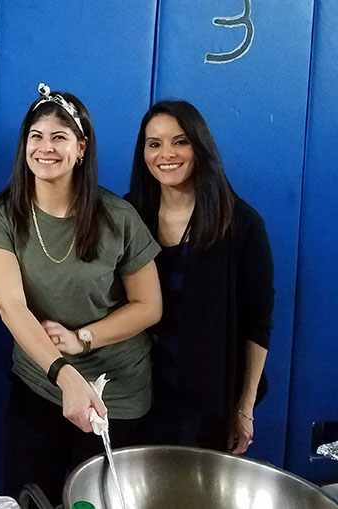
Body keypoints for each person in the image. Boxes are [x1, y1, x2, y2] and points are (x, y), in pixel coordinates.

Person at [0, 83, 162, 503]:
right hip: (40, 384)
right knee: (32, 496)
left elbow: (149, 306)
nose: (46, 148)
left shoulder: (118, 217)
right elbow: (11, 308)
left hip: (117, 395)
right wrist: (63, 373)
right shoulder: (1, 217)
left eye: (59, 137)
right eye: (36, 136)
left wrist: (83, 339)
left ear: (81, 148)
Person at [126, 100, 275, 454]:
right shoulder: (128, 214)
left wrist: (244, 408)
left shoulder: (241, 224)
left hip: (208, 402)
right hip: (137, 396)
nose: (166, 154)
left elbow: (258, 323)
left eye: (180, 141)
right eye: (154, 143)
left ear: (200, 146)